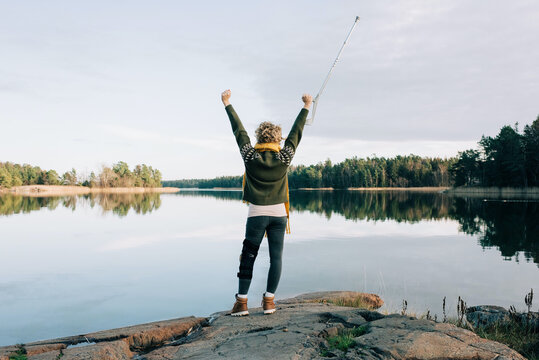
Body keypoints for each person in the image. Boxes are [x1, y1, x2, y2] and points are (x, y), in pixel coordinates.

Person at [221, 89, 312, 316]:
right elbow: (296, 134)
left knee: (248, 256)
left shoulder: (250, 156)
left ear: (259, 138)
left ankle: (242, 303)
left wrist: (227, 104)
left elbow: (238, 132)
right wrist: (306, 106)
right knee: (276, 258)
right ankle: (269, 302)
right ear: (277, 140)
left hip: (256, 214)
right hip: (279, 215)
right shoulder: (284, 157)